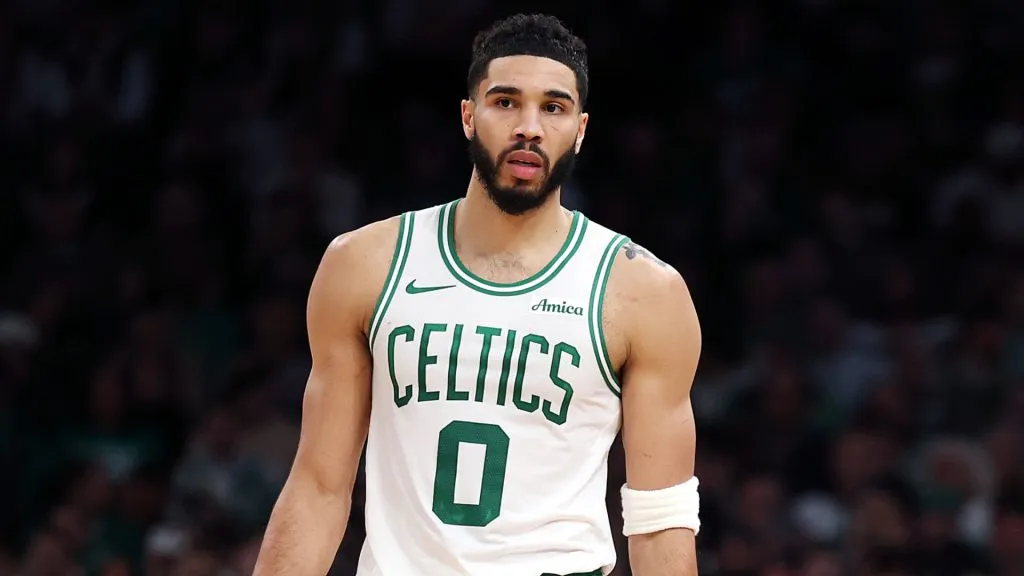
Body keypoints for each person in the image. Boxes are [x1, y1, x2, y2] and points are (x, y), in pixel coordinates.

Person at [253, 13, 702, 576]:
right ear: (469, 115)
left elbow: (659, 519)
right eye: (506, 102)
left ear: (581, 128)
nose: (529, 127)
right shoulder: (365, 264)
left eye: (554, 107)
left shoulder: (642, 292)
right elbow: (318, 486)